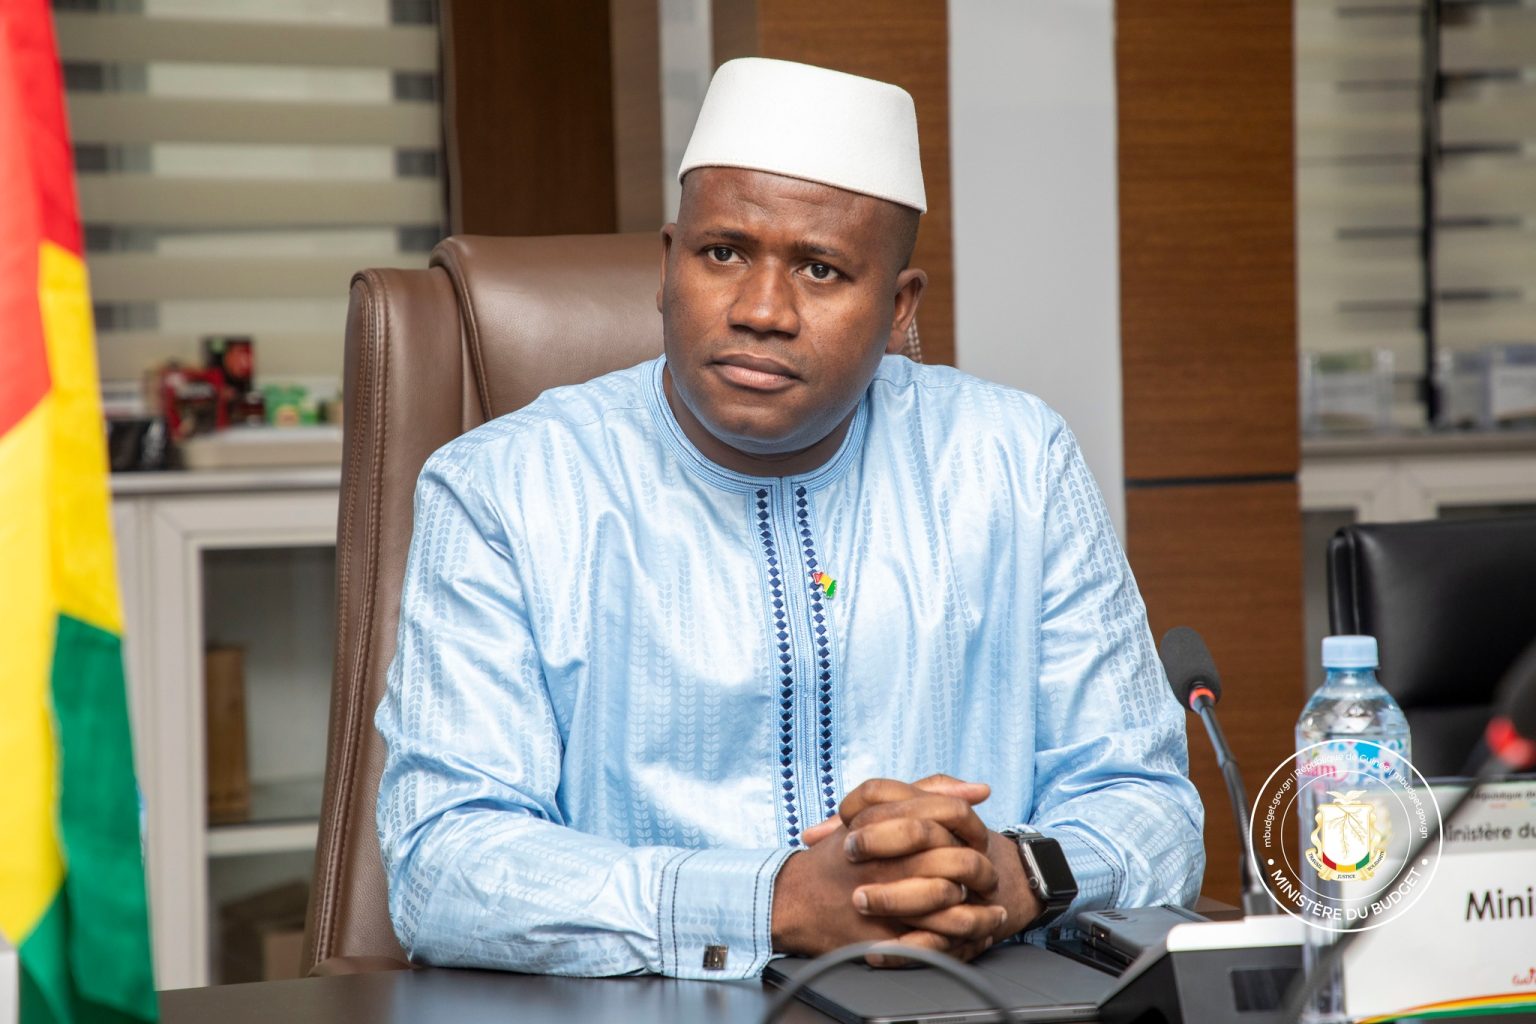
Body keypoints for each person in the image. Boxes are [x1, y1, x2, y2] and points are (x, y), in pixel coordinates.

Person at [375, 57, 1204, 981]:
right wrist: (779, 901)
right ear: (667, 266)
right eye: (723, 253)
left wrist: (1008, 875)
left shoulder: (1015, 461)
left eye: (820, 269)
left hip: (970, 1000)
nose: (761, 310)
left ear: (898, 308)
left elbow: (1151, 804)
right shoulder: (505, 488)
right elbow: (443, 863)